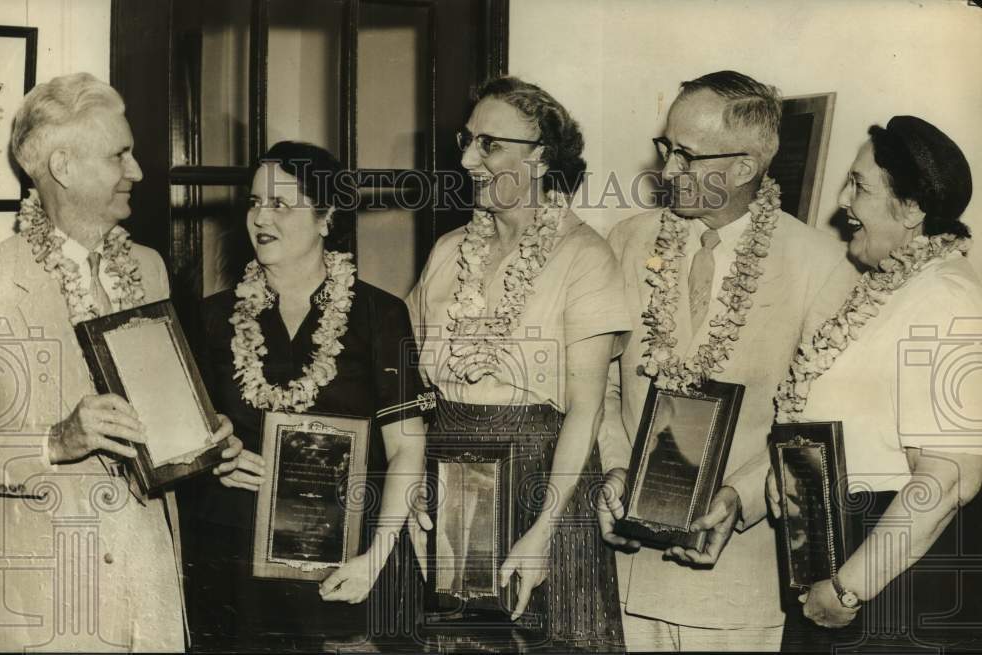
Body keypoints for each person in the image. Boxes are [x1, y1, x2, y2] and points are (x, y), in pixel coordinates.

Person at [0, 72, 250, 652]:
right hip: (46, 607)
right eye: (120, 155)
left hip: (148, 594)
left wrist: (203, 439)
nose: (138, 172)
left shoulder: (150, 268)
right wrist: (57, 440)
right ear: (63, 168)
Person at [595, 70, 858, 651]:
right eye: (668, 148)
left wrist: (739, 496)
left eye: (687, 156)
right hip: (621, 575)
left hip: (736, 580)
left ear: (744, 167)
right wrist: (616, 468)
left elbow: (814, 431)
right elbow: (603, 386)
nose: (667, 172)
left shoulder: (820, 266)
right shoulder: (626, 241)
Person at [406, 75, 631, 652]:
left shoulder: (585, 255)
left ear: (540, 159)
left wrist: (543, 533)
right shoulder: (447, 251)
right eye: (467, 139)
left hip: (543, 483)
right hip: (447, 479)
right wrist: (411, 484)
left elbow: (585, 410)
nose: (466, 158)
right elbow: (408, 383)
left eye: (489, 144)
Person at [180, 140, 428, 652]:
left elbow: (408, 448)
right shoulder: (209, 317)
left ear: (326, 216)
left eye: (280, 203)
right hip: (234, 565)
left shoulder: (381, 316)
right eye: (253, 202)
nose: (260, 218)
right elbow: (187, 441)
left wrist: (374, 560)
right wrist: (216, 459)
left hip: (346, 562)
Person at [769, 116, 982, 652]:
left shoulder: (947, 299)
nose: (843, 200)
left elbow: (949, 479)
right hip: (850, 560)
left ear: (911, 209)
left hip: (892, 587)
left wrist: (848, 589)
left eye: (859, 186)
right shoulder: (892, 290)